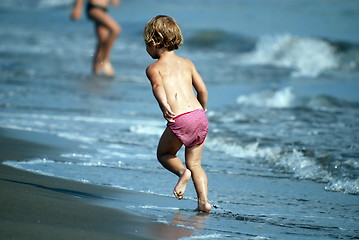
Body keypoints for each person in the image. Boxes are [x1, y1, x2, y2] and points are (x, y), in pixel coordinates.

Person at [144, 15, 211, 212]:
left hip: (180, 118)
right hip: (199, 116)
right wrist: (203, 108)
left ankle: (182, 173)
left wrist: (164, 105)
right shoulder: (188, 63)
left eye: (146, 44)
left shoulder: (153, 68)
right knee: (196, 163)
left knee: (164, 153)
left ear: (154, 42)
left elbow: (157, 86)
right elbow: (203, 90)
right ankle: (204, 202)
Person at [71, 0, 121, 76]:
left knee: (102, 40)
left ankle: (95, 71)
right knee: (116, 29)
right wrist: (77, 8)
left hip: (103, 9)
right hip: (94, 8)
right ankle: (105, 60)